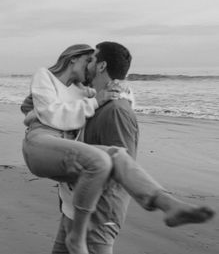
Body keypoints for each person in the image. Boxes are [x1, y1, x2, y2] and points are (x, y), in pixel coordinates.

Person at [21, 42, 214, 254]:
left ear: (101, 66)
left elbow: (119, 171)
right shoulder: (63, 84)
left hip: (95, 217)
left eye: (91, 61)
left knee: (115, 156)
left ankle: (166, 202)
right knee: (102, 159)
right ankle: (164, 203)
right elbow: (40, 109)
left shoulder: (106, 105)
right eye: (87, 59)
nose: (88, 67)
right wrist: (34, 114)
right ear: (73, 58)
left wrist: (121, 91)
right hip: (66, 188)